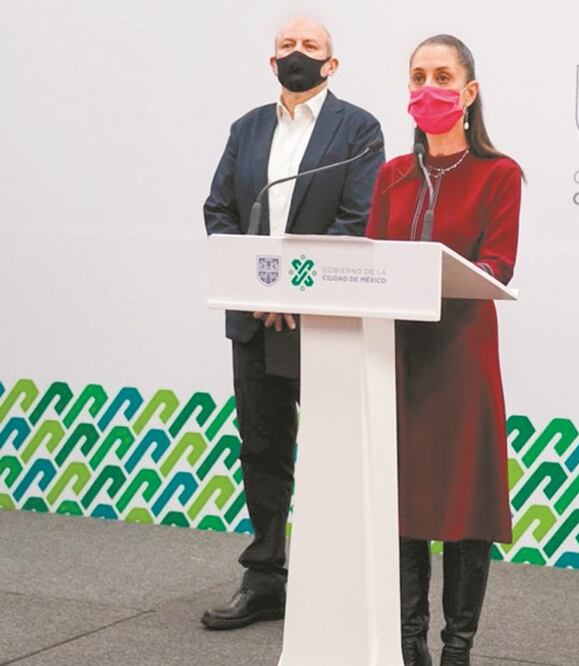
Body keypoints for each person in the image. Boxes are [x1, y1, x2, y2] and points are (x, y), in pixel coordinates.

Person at [201, 16, 384, 630]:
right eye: (287, 46)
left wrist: (291, 291)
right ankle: (266, 577)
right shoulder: (246, 129)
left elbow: (356, 221)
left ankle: (331, 579)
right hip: (255, 319)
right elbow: (220, 210)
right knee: (262, 447)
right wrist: (259, 287)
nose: (297, 54)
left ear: (333, 64)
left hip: (323, 320)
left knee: (333, 451)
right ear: (270, 61)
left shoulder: (358, 130)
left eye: (310, 47)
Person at [364, 34, 522, 666]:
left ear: (469, 92)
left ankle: (457, 648)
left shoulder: (499, 174)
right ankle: (409, 646)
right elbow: (372, 258)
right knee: (403, 506)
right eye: (418, 77)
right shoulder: (391, 175)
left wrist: (437, 272)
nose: (428, 89)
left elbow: (498, 264)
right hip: (398, 359)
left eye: (442, 76)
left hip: (461, 359)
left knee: (465, 505)